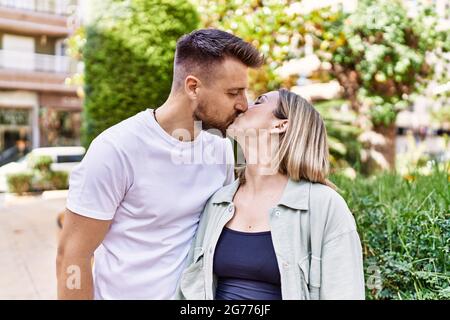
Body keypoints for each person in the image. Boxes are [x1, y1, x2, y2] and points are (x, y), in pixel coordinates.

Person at [56, 29, 263, 299]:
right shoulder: (116, 150)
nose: (243, 105)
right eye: (233, 93)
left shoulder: (219, 148)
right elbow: (71, 257)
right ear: (193, 87)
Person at [176, 89, 365, 300]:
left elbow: (345, 292)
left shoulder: (325, 206)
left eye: (259, 101)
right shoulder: (218, 202)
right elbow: (190, 290)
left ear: (281, 124)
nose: (243, 105)